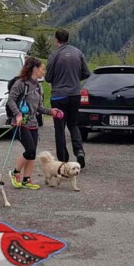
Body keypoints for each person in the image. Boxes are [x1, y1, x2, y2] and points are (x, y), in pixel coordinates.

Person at [7, 56, 64, 190]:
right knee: (30, 150)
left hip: (33, 123)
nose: (44, 72)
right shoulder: (21, 83)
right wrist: (18, 114)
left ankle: (27, 180)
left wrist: (51, 112)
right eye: (42, 69)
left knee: (32, 153)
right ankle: (15, 173)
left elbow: (39, 107)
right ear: (34, 69)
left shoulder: (38, 86)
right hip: (20, 123)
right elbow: (11, 100)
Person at [45, 29, 92, 168]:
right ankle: (79, 152)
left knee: (59, 128)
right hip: (75, 94)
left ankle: (63, 159)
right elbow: (86, 73)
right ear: (68, 38)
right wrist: (75, 80)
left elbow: (48, 77)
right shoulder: (78, 52)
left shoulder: (54, 55)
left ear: (56, 40)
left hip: (59, 96)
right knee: (73, 124)